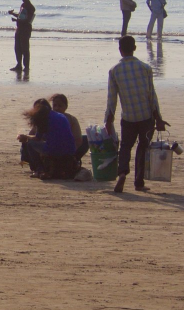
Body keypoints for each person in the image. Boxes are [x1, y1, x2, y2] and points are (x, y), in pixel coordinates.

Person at [104, 35, 168, 193]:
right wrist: (158, 118)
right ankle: (138, 183)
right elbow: (151, 96)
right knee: (143, 147)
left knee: (125, 147)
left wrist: (108, 120)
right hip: (146, 116)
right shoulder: (145, 68)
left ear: (120, 50)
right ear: (134, 48)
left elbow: (111, 99)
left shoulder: (114, 71)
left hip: (128, 117)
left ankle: (122, 173)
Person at [16, 97, 78, 180]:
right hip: (70, 150)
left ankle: (39, 169)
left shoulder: (43, 118)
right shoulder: (59, 116)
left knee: (29, 143)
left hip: (55, 150)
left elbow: (37, 138)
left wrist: (25, 137)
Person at [50, 93, 89, 167]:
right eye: (54, 105)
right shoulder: (47, 118)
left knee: (86, 139)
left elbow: (78, 139)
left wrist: (70, 152)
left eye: (60, 106)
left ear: (66, 107)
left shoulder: (71, 119)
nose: (57, 108)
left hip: (68, 149)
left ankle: (73, 160)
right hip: (51, 148)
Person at [8, 0, 35, 72]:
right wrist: (13, 14)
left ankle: (26, 67)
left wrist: (16, 20)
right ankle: (19, 65)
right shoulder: (22, 5)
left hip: (25, 29)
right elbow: (20, 16)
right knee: (17, 48)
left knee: (25, 49)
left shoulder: (31, 8)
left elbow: (28, 20)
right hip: (19, 28)